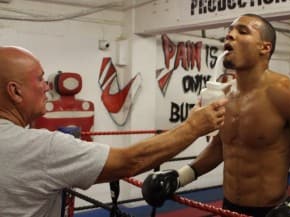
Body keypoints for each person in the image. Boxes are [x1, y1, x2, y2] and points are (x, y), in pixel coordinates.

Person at [142, 14, 290, 217]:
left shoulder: (289, 94)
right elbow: (220, 147)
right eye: (229, 31)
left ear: (265, 47)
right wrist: (178, 177)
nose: (230, 35)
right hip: (228, 208)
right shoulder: (225, 94)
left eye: (242, 31)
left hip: (269, 212)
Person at [0, 46, 228, 217]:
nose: (46, 86)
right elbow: (128, 162)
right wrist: (194, 127)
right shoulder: (40, 148)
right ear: (15, 92)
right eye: (40, 79)